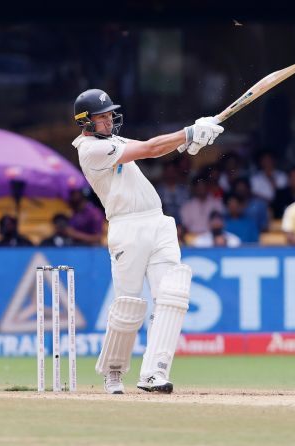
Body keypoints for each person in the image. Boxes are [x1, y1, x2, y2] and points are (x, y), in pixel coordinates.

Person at [70, 88, 223, 394]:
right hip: (127, 227)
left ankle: (154, 373)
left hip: (158, 221)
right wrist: (190, 131)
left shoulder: (112, 141)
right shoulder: (90, 150)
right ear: (85, 122)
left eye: (110, 114)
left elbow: (150, 146)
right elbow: (152, 150)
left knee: (172, 295)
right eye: (102, 117)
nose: (110, 120)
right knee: (129, 305)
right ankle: (113, 372)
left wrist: (187, 141)